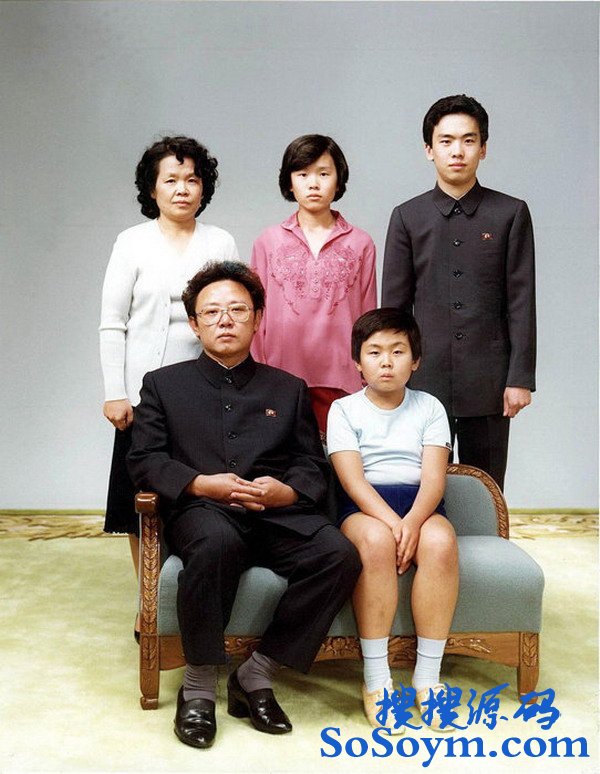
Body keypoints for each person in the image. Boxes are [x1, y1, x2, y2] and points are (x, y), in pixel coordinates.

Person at [127, 261, 362, 749]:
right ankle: (198, 686)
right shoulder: (162, 384)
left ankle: (257, 672)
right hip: (203, 511)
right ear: (195, 324)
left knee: (337, 555)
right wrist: (200, 484)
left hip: (275, 512)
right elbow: (145, 460)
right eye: (211, 312)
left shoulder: (287, 387)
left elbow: (310, 462)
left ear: (257, 319)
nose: (225, 320)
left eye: (237, 310)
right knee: (215, 542)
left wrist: (287, 492)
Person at [99, 135, 238, 637]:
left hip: (207, 395)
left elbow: (236, 315)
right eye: (171, 180)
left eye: (192, 179)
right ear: (152, 188)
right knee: (141, 502)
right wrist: (115, 391)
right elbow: (112, 322)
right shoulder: (131, 242)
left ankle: (200, 596)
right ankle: (151, 604)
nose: (182, 189)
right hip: (143, 400)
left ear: (204, 188)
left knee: (199, 499)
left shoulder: (220, 242)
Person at [382, 95, 536, 490]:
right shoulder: (407, 216)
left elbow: (521, 301)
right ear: (428, 149)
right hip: (422, 379)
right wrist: (392, 373)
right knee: (419, 485)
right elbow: (394, 309)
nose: (457, 151)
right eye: (446, 141)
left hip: (489, 380)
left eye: (469, 140)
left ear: (483, 149)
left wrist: (519, 378)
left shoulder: (510, 213)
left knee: (487, 489)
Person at [327, 308, 458, 733]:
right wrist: (392, 524)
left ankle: (428, 679)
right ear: (357, 362)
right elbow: (352, 481)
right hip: (365, 506)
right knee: (376, 542)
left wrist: (413, 522)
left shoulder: (430, 407)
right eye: (375, 352)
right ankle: (377, 679)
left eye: (398, 351)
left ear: (415, 360)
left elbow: (434, 480)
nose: (386, 361)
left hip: (420, 504)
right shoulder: (343, 410)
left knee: (440, 543)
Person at [251, 134, 376, 436]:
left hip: (342, 378)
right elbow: (254, 315)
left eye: (323, 173)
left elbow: (369, 314)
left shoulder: (361, 243)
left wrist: (366, 373)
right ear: (289, 182)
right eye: (303, 174)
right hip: (279, 376)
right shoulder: (268, 241)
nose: (313, 184)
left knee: (339, 458)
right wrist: (257, 373)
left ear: (339, 179)